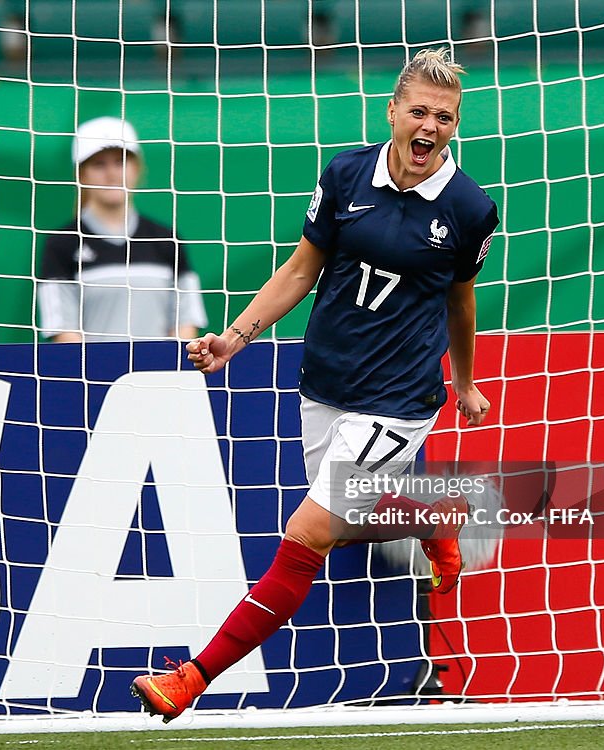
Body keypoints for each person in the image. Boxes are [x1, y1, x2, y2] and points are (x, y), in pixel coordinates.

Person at [131, 48, 499, 722]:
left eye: (443, 117)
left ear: (454, 126)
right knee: (342, 524)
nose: (430, 126)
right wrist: (232, 340)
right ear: (392, 112)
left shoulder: (471, 208)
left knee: (305, 535)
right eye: (418, 110)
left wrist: (465, 383)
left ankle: (192, 677)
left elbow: (461, 303)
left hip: (398, 399)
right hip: (325, 383)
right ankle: (433, 515)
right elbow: (302, 270)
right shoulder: (346, 173)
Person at [37, 116, 207, 342]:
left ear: (137, 168)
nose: (112, 174)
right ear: (81, 173)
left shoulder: (167, 239)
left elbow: (186, 324)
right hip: (91, 376)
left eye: (120, 162)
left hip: (158, 375)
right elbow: (62, 331)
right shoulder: (62, 243)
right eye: (99, 164)